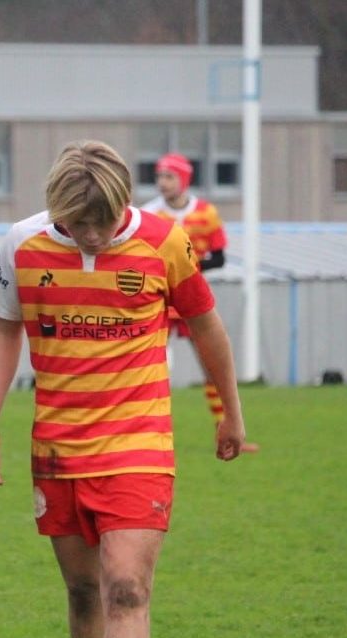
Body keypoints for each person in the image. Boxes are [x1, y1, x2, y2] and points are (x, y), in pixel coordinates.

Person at [0, 141, 246, 638]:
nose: (91, 235)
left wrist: (232, 413)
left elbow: (206, 326)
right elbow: (5, 332)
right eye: (78, 223)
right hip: (57, 450)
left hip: (138, 443)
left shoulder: (166, 241)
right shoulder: (22, 244)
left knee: (125, 586)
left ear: (123, 201)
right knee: (83, 591)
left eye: (102, 221)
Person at [141, 152, 259, 453]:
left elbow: (219, 256)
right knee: (150, 367)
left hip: (192, 301)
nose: (163, 183)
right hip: (160, 302)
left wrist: (186, 270)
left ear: (184, 180)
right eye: (160, 177)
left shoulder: (206, 213)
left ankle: (226, 429)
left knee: (211, 366)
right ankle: (149, 434)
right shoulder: (148, 214)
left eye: (170, 177)